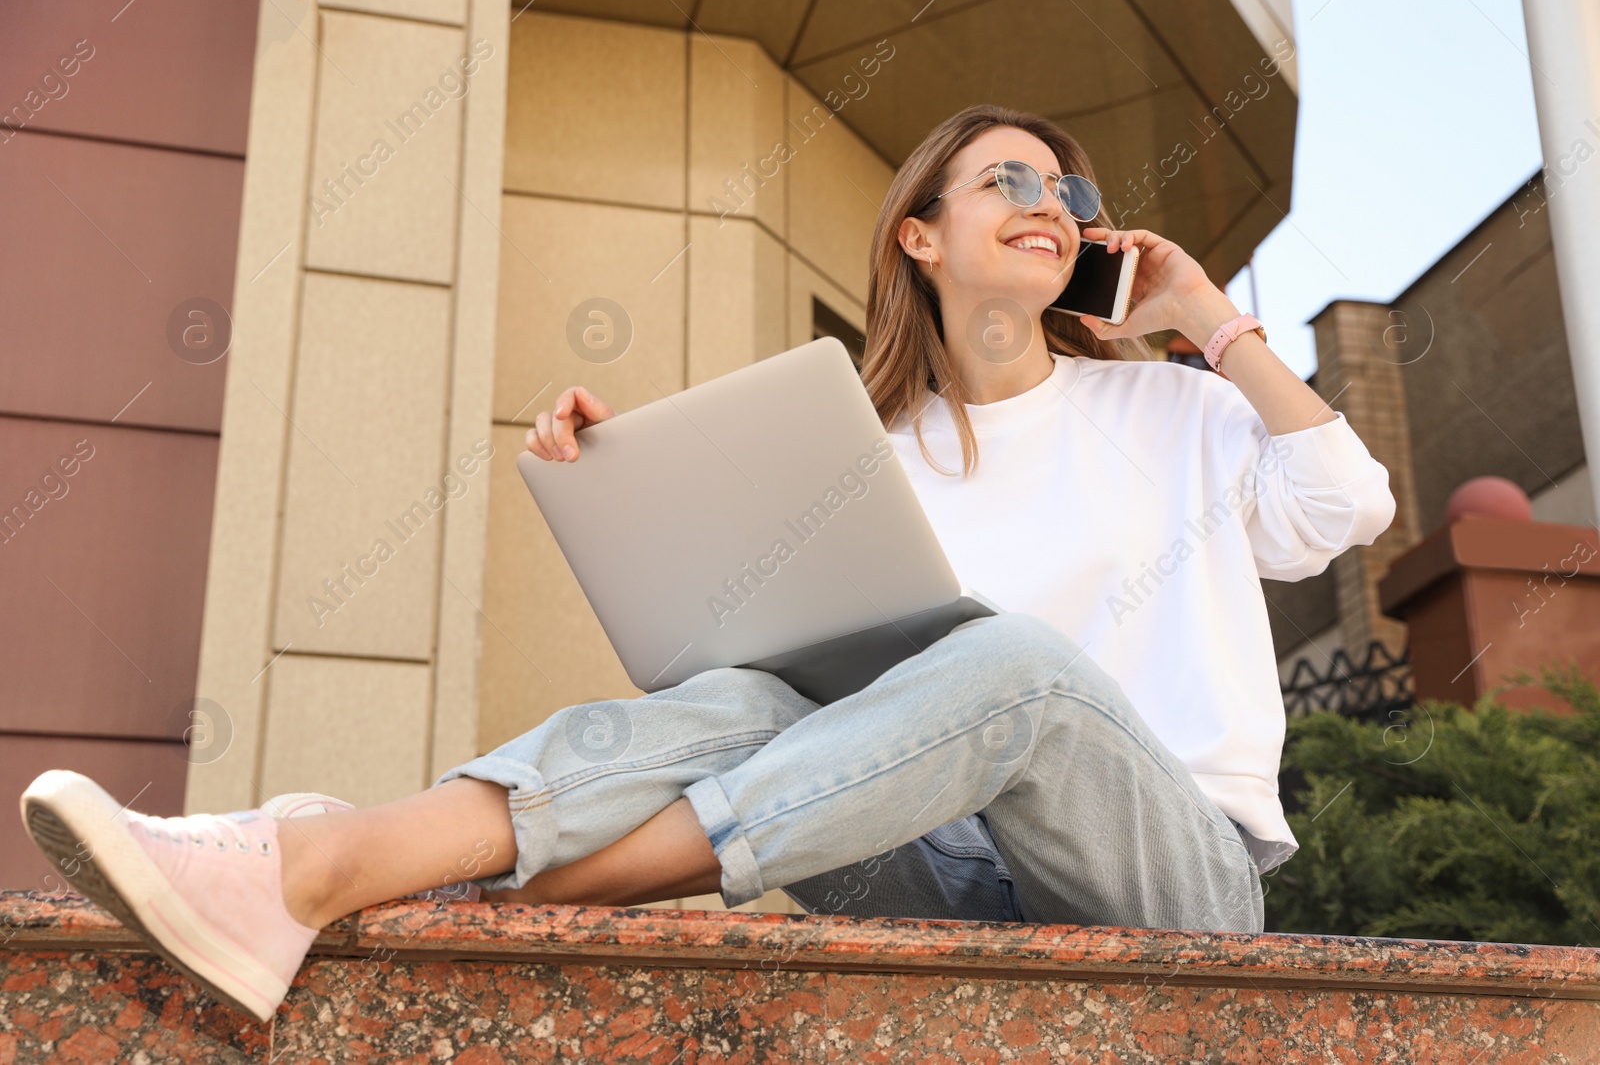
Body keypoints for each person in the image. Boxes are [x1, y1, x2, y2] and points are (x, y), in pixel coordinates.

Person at [18, 103, 1396, 1023]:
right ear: (919, 235)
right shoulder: (861, 453)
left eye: (1067, 190)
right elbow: (737, 670)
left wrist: (1207, 317)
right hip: (925, 863)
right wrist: (625, 479)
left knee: (1013, 668)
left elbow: (1349, 502)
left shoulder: (1176, 410)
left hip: (1176, 886)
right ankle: (335, 861)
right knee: (761, 700)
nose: (1049, 202)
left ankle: (419, 883)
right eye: (1007, 182)